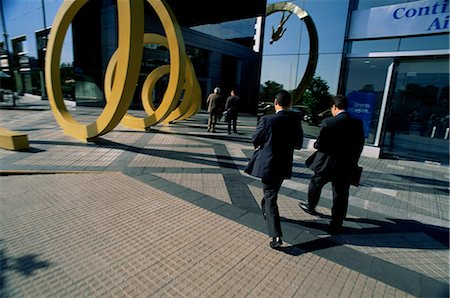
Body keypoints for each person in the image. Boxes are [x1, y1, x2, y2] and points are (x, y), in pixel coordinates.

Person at [246, 90, 303, 249]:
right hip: (284, 165)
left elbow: (255, 138)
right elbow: (298, 144)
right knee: (271, 193)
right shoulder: (295, 121)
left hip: (268, 165)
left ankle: (276, 235)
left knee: (270, 197)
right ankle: (266, 211)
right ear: (289, 104)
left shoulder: (267, 120)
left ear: (275, 103)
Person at [300, 95, 365, 234]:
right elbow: (360, 145)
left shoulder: (328, 122)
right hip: (346, 165)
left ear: (334, 107)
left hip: (327, 165)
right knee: (341, 194)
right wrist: (353, 161)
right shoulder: (357, 123)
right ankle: (337, 223)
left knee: (315, 183)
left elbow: (319, 144)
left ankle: (311, 206)